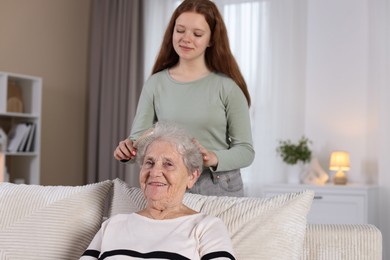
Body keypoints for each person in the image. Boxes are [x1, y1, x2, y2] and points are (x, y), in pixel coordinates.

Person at [113, 0, 254, 197]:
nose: (186, 39)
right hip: (169, 182)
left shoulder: (228, 88)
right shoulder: (156, 83)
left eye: (197, 34)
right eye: (180, 31)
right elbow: (139, 140)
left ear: (211, 40)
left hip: (217, 185)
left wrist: (213, 157)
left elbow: (246, 151)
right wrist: (127, 150)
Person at [81, 122, 236, 260]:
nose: (154, 172)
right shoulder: (113, 225)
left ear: (192, 176)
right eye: (149, 162)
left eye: (168, 164)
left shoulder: (205, 227)